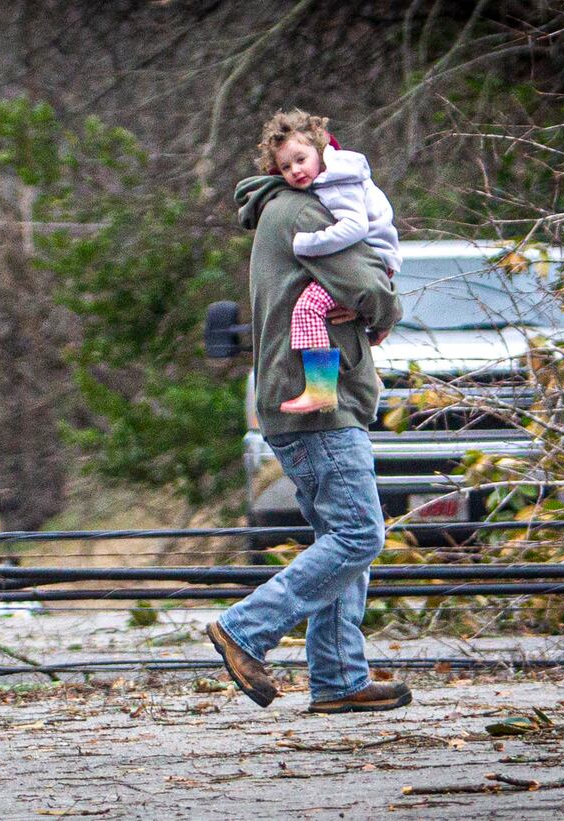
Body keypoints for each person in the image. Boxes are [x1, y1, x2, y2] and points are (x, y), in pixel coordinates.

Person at [206, 110, 413, 714]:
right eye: (288, 161)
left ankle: (339, 677)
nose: (299, 169)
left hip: (305, 397)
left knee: (337, 532)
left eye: (305, 158)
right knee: (359, 533)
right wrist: (384, 313)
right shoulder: (306, 212)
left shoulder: (284, 209)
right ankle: (246, 629)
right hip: (318, 401)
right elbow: (370, 289)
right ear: (277, 167)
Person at [272, 116, 402, 414]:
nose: (296, 170)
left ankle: (321, 390)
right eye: (286, 167)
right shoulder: (334, 176)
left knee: (308, 309)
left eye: (301, 159)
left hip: (374, 259)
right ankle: (360, 376)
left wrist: (306, 244)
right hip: (374, 261)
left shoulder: (335, 182)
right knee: (333, 312)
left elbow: (354, 228)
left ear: (320, 151)